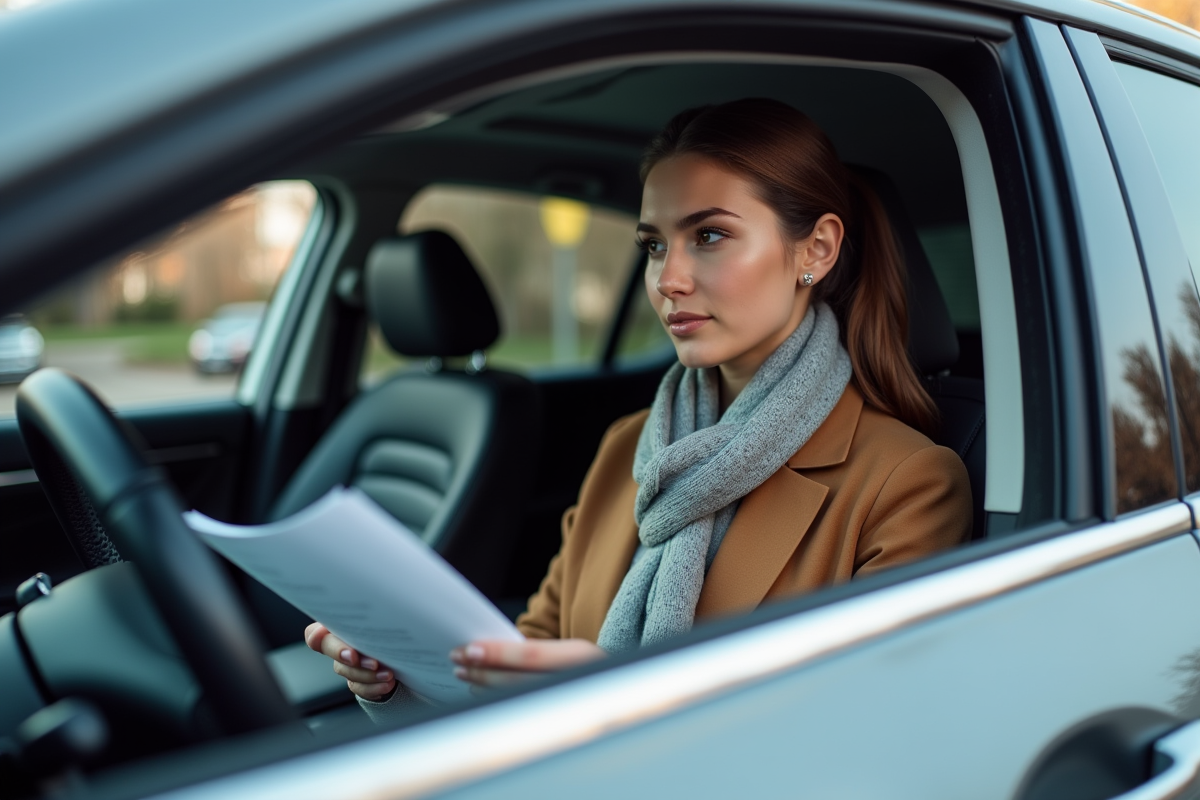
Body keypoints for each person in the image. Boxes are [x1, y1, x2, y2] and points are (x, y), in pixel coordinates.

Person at [306, 98, 972, 714]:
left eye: (708, 236)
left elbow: (859, 730)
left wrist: (611, 698)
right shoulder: (629, 445)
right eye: (654, 244)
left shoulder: (905, 482)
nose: (667, 279)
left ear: (815, 250)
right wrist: (398, 677)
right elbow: (534, 642)